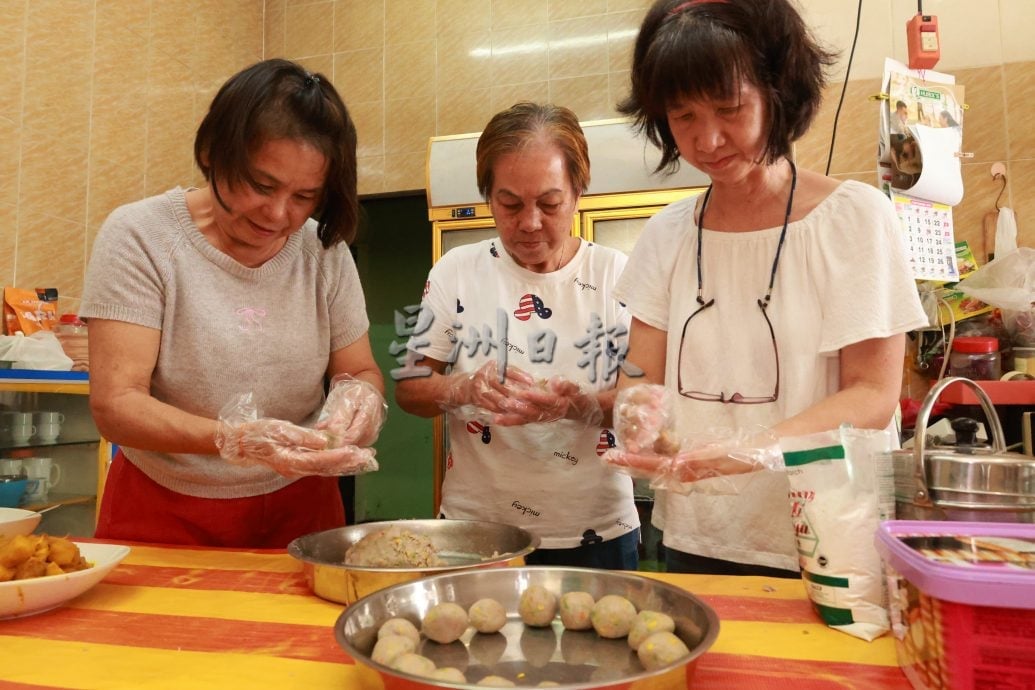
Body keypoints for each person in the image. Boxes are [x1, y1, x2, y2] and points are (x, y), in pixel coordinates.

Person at [608, 0, 928, 577]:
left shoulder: (852, 217)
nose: (707, 139)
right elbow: (641, 374)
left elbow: (872, 395)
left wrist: (747, 451)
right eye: (683, 117)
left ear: (778, 91)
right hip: (696, 532)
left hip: (824, 533)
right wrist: (636, 420)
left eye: (729, 108)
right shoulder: (668, 233)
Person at [80, 59, 386, 548]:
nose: (279, 214)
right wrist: (235, 438)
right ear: (211, 152)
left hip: (301, 502)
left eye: (305, 196)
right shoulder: (141, 236)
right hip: (164, 504)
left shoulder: (323, 250)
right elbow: (116, 406)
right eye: (261, 186)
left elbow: (359, 369)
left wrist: (360, 399)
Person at [394, 102, 640, 569]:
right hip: (477, 531)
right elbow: (409, 389)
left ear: (578, 192)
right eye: (509, 204)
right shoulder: (455, 272)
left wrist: (575, 405)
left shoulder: (618, 277)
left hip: (597, 531)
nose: (529, 223)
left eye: (549, 204)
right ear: (488, 195)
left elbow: (647, 405)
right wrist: (461, 388)